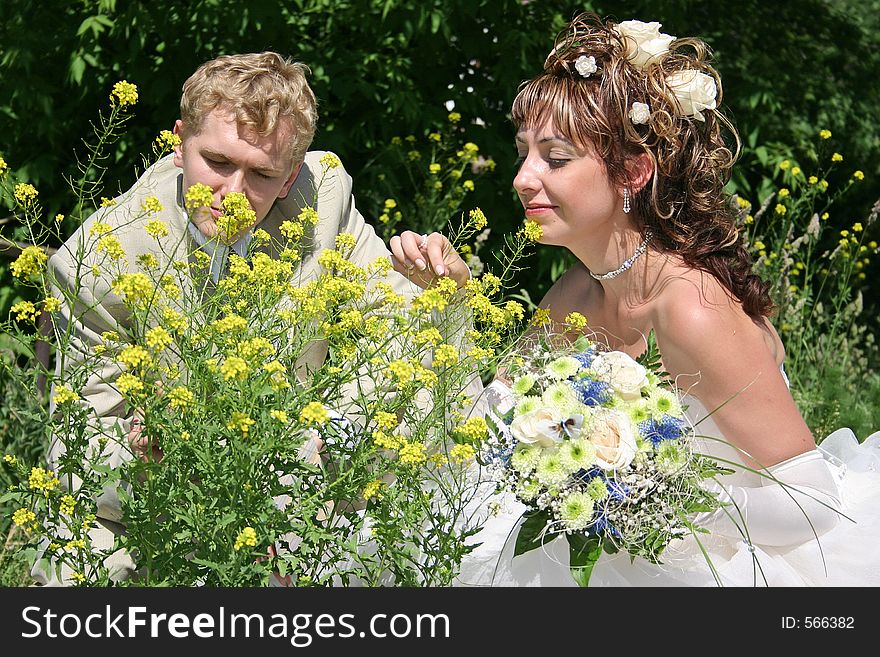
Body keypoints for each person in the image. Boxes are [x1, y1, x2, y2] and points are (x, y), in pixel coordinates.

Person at [429, 13, 880, 586]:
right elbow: (491, 429)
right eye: (524, 152)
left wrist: (646, 494)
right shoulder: (574, 292)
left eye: (556, 158)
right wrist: (454, 301)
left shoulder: (691, 308)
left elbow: (815, 503)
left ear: (634, 171)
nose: (522, 177)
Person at [35, 51, 469, 586]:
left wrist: (326, 437)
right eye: (217, 162)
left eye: (262, 173)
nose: (233, 194)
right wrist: (154, 460)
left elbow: (398, 320)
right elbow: (78, 454)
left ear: (289, 180)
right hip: (145, 516)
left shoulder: (323, 194)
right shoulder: (101, 262)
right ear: (178, 144)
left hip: (295, 490)